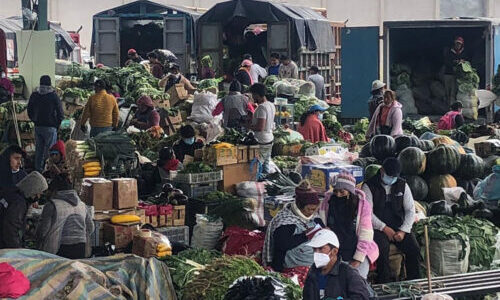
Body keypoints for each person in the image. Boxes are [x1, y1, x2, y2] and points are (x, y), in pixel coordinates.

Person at [361, 158, 421, 283]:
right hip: (377, 227)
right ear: (382, 170)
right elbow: (368, 213)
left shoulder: (402, 185)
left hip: (399, 226)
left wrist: (403, 231)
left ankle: (414, 282)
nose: (392, 179)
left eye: (394, 176)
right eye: (389, 175)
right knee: (382, 249)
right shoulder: (369, 186)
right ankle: (385, 283)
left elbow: (410, 210)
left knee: (414, 248)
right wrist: (384, 228)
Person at [263, 180, 324, 272]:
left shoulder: (315, 218)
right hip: (288, 268)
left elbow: (321, 228)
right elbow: (282, 245)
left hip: (312, 266)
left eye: (314, 209)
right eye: (309, 209)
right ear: (299, 206)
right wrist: (305, 235)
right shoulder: (285, 221)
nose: (312, 212)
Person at [327, 172, 379, 279]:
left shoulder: (362, 206)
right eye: (336, 191)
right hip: (336, 250)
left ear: (350, 192)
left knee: (356, 279)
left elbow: (366, 234)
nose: (338, 195)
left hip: (359, 249)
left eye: (342, 192)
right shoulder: (328, 202)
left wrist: (358, 259)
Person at [36, 173, 94, 258]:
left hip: (57, 252)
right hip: (81, 250)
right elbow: (91, 228)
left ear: (55, 190)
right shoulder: (82, 205)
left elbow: (42, 232)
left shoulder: (52, 205)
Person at [303, 229, 370, 300]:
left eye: (321, 249)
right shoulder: (313, 272)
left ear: (334, 251)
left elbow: (362, 297)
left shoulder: (348, 273)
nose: (316, 253)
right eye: (314, 249)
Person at [0, 171, 48, 249]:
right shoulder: (18, 203)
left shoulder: (12, 193)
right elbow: (11, 230)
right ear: (32, 189)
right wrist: (17, 251)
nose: (38, 196)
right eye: (38, 193)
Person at [27, 75, 64, 172]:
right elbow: (60, 112)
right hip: (50, 127)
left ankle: (38, 170)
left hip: (38, 126)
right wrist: (57, 124)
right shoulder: (53, 96)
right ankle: (48, 170)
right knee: (50, 151)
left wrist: (34, 120)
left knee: (39, 150)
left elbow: (29, 109)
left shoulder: (35, 95)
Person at [248, 83, 275, 177]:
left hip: (262, 140)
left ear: (257, 95)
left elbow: (260, 127)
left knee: (258, 165)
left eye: (253, 95)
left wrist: (247, 126)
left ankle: (257, 184)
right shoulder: (271, 105)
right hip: (269, 138)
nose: (252, 97)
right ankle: (265, 185)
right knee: (266, 165)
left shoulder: (261, 108)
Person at [444, 37, 467, 104]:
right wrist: (454, 63)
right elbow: (446, 61)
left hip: (457, 75)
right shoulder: (449, 52)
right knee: (447, 90)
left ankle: (452, 106)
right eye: (457, 44)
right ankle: (446, 104)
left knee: (453, 91)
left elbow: (466, 61)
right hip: (448, 73)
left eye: (459, 44)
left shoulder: (464, 52)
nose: (458, 45)